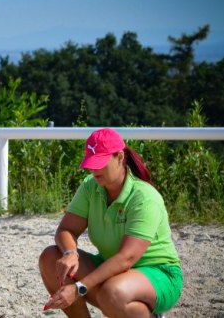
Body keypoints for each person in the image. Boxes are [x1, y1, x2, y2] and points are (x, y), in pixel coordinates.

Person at [39, 128, 182, 318]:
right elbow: (66, 229)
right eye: (91, 163)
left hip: (158, 272)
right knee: (51, 257)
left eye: (99, 163)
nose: (94, 169)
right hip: (112, 269)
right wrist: (70, 252)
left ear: (120, 157)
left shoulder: (144, 197)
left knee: (112, 293)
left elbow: (126, 259)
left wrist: (79, 288)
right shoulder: (91, 186)